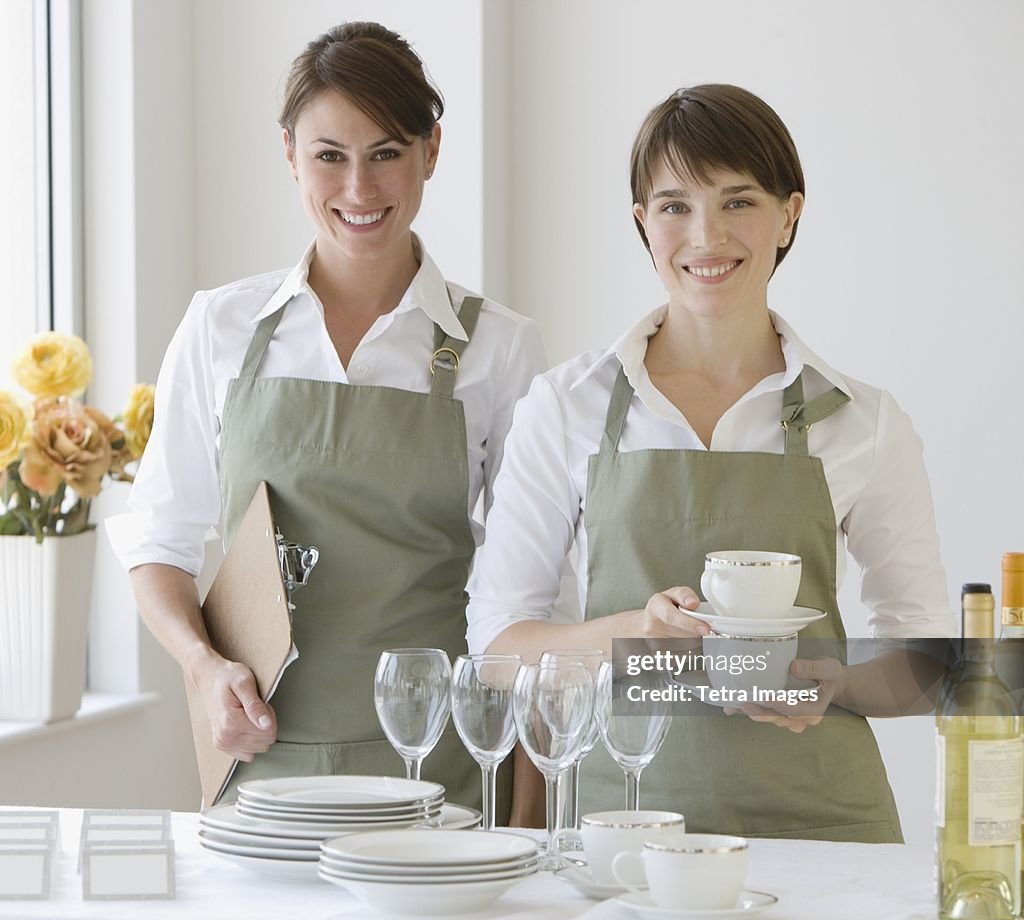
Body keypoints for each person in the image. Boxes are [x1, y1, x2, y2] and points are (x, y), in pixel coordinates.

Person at [467, 84, 953, 841]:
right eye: (673, 206)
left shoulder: (863, 420)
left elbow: (924, 653)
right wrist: (632, 632)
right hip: (620, 823)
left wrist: (842, 683)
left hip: (822, 831)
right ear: (642, 221)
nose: (705, 235)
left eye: (738, 201)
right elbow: (497, 649)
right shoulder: (567, 406)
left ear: (789, 213)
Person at [107, 22, 545, 811]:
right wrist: (205, 670)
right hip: (260, 764)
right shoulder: (220, 328)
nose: (358, 190)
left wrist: (527, 816)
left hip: (435, 772)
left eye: (386, 153)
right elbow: (159, 542)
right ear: (289, 155)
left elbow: (531, 598)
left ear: (431, 151)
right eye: (329, 156)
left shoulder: (498, 348)